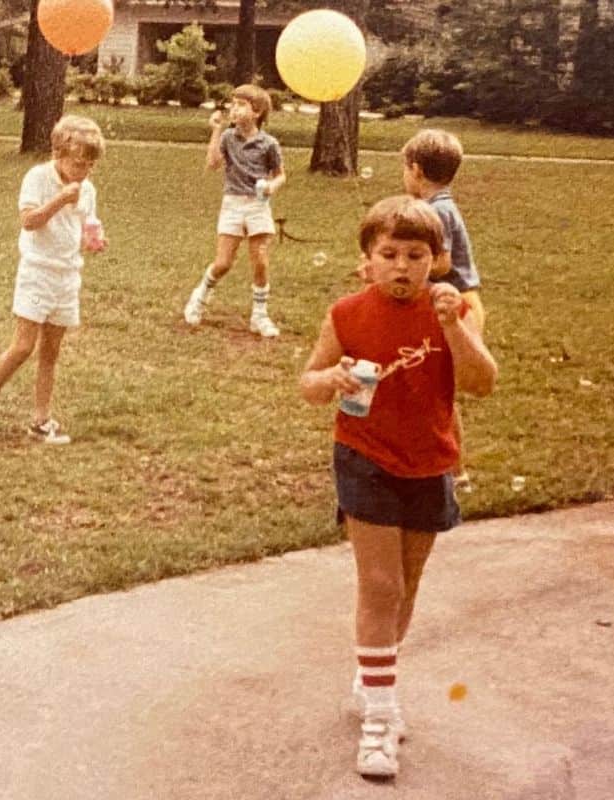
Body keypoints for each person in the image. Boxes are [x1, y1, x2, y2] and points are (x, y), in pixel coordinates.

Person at [300, 195, 497, 779]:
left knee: (406, 588)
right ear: (367, 261)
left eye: (416, 255)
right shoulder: (347, 314)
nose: (402, 266)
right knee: (380, 585)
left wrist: (452, 326)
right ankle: (380, 719)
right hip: (364, 456)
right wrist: (330, 378)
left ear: (438, 260)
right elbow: (307, 383)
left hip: (429, 459)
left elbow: (483, 383)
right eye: (389, 254)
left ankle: (372, 675)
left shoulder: (454, 309)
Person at [0, 115, 106, 445]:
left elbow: (87, 222)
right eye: (79, 164)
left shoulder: (87, 188)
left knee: (51, 351)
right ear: (58, 154)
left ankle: (40, 420)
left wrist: (94, 237)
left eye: (90, 166)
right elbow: (29, 221)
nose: (84, 172)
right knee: (23, 346)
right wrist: (60, 199)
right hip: (37, 273)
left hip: (67, 276)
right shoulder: (38, 178)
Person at [401, 128, 485, 493]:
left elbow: (442, 262)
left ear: (416, 170)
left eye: (405, 168)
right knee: (435, 391)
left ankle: (455, 473)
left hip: (460, 306)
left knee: (440, 394)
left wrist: (402, 265)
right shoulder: (440, 206)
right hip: (460, 303)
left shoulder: (436, 211)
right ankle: (445, 467)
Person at [184, 83, 286, 337]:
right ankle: (199, 297)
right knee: (223, 263)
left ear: (257, 112)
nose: (234, 108)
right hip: (232, 203)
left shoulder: (268, 144)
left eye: (241, 104)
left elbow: (281, 175)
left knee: (260, 262)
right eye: (233, 103)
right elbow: (213, 163)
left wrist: (272, 187)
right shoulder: (229, 138)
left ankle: (259, 317)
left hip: (258, 205)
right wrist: (217, 130)